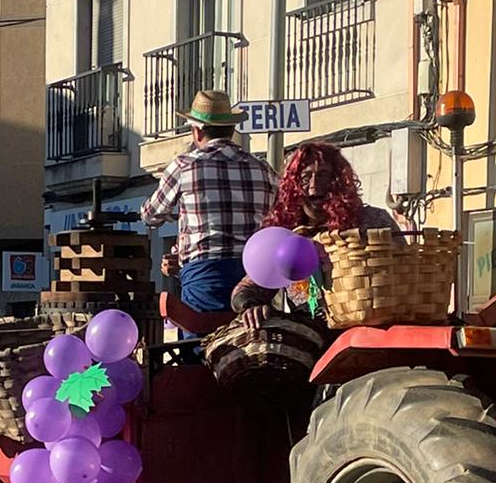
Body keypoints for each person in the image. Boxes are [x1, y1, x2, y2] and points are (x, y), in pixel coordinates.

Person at [231, 141, 399, 328]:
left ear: (338, 181)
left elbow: (403, 269)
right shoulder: (284, 234)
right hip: (309, 332)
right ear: (293, 186)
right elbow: (246, 289)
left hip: (366, 327)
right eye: (305, 177)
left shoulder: (372, 222)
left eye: (323, 175)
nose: (313, 186)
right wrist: (250, 306)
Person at [141, 89, 277, 315]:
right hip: (254, 274)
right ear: (232, 130)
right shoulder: (262, 168)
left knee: (199, 344)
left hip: (205, 276)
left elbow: (150, 215)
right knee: (251, 340)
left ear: (196, 131)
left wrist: (178, 215)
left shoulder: (184, 166)